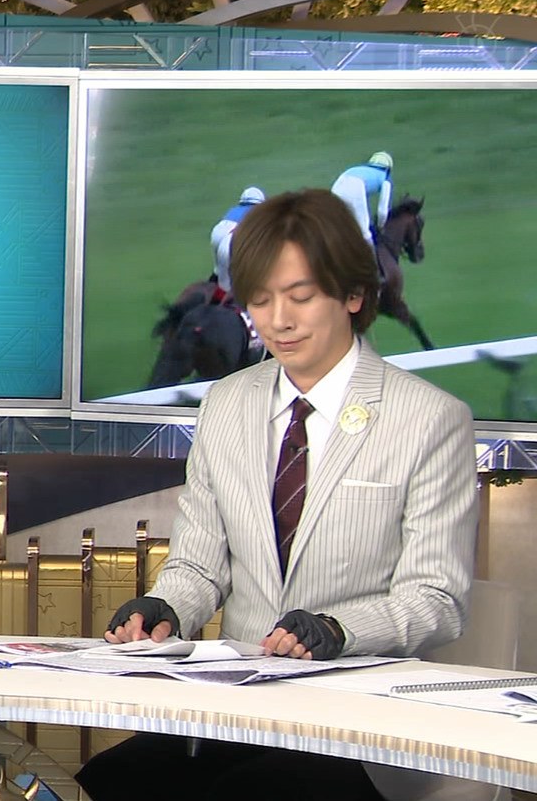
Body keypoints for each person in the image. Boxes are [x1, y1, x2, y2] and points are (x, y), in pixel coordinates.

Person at [77, 189, 477, 801]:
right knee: (99, 784)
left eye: (300, 296)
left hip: (359, 727)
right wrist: (165, 607)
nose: (278, 321)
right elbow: (198, 566)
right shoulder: (225, 403)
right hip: (235, 713)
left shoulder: (431, 419)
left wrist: (339, 629)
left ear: (353, 293)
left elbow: (436, 599)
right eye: (260, 300)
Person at [331, 151, 393, 257]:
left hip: (337, 187)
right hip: (355, 189)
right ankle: (371, 263)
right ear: (388, 169)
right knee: (366, 234)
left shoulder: (358, 169)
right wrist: (380, 226)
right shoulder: (385, 178)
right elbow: (382, 211)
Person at [208, 186, 264, 303]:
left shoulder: (233, 210)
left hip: (218, 233)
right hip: (234, 240)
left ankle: (213, 301)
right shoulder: (258, 214)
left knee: (220, 275)